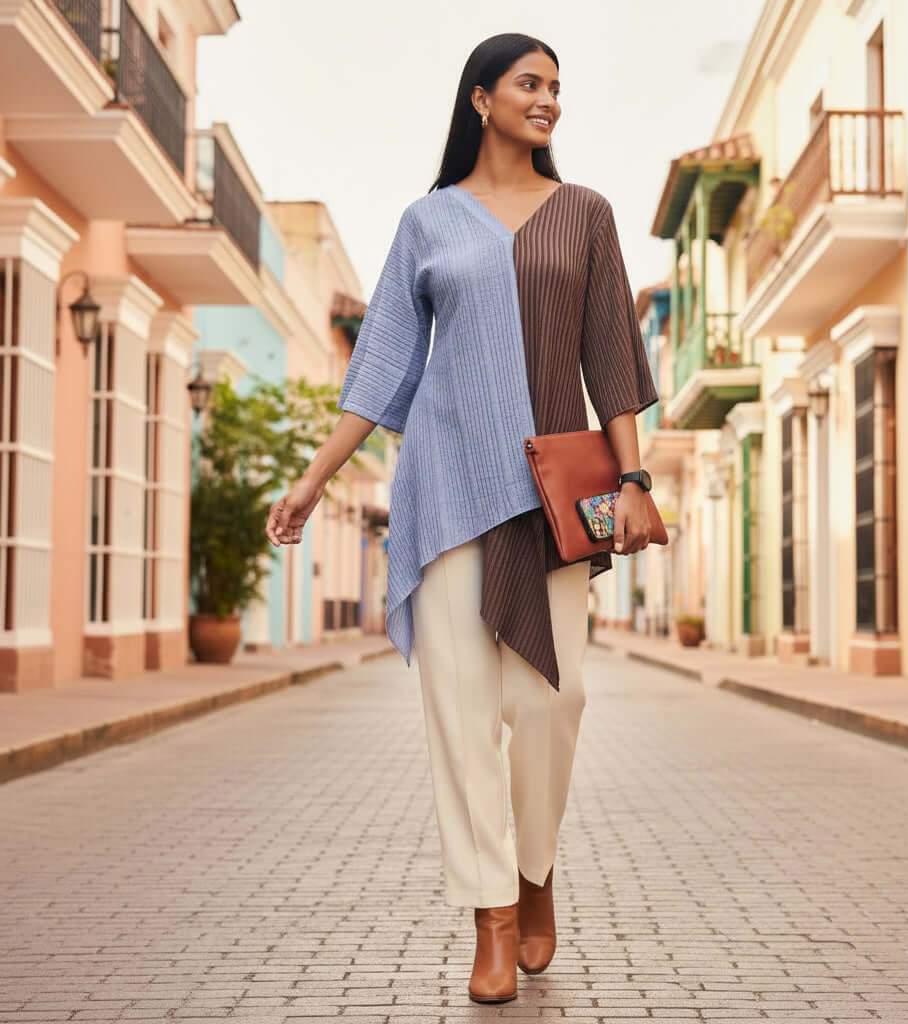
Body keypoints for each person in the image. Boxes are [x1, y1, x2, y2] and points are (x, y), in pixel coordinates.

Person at [265, 32, 658, 1005]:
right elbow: (382, 369)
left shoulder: (585, 214)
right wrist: (313, 479)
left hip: (553, 496)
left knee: (553, 702)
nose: (548, 99)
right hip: (443, 490)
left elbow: (611, 357)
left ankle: (534, 868)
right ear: (481, 98)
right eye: (529, 83)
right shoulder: (428, 221)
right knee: (459, 711)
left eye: (556, 87)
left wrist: (636, 476)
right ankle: (492, 914)